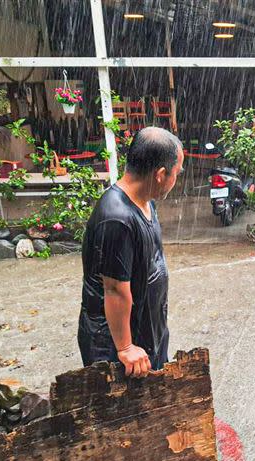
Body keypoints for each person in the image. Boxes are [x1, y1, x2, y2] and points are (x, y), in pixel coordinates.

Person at [77, 127, 184, 377]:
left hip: (147, 335)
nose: (175, 180)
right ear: (160, 174)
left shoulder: (145, 202)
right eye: (176, 174)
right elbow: (113, 289)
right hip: (119, 349)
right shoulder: (117, 218)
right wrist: (125, 347)